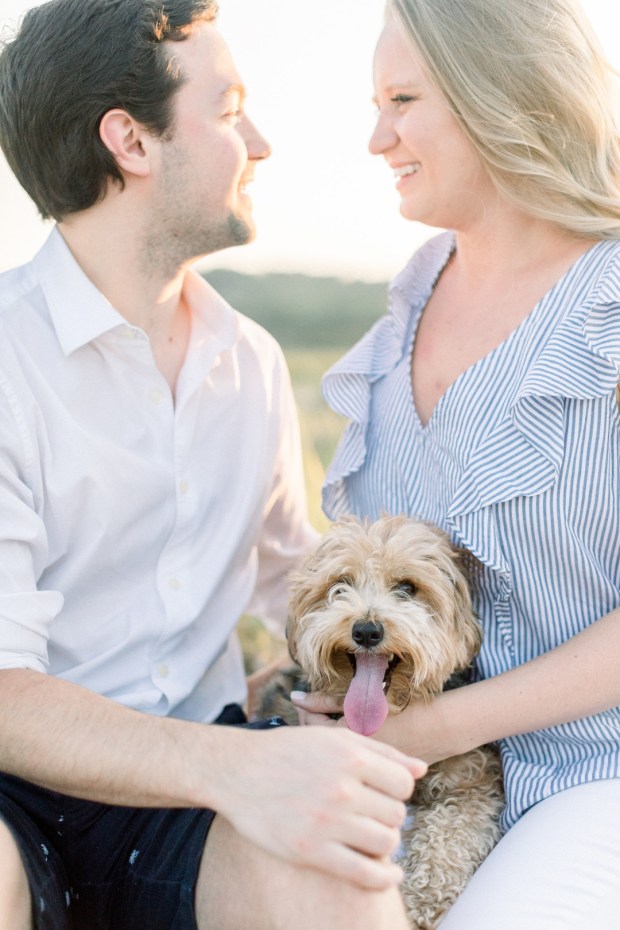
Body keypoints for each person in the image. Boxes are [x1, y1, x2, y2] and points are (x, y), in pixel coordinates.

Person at [0, 2, 427, 928]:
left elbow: (292, 584)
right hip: (17, 791)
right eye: (230, 110)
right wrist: (246, 768)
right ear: (132, 142)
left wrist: (344, 681)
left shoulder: (253, 362)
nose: (262, 143)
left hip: (190, 796)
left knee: (341, 881)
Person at [291, 0, 620, 926]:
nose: (375, 136)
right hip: (409, 779)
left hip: (596, 772)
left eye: (402, 99)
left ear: (499, 95)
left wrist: (435, 729)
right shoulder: (400, 313)